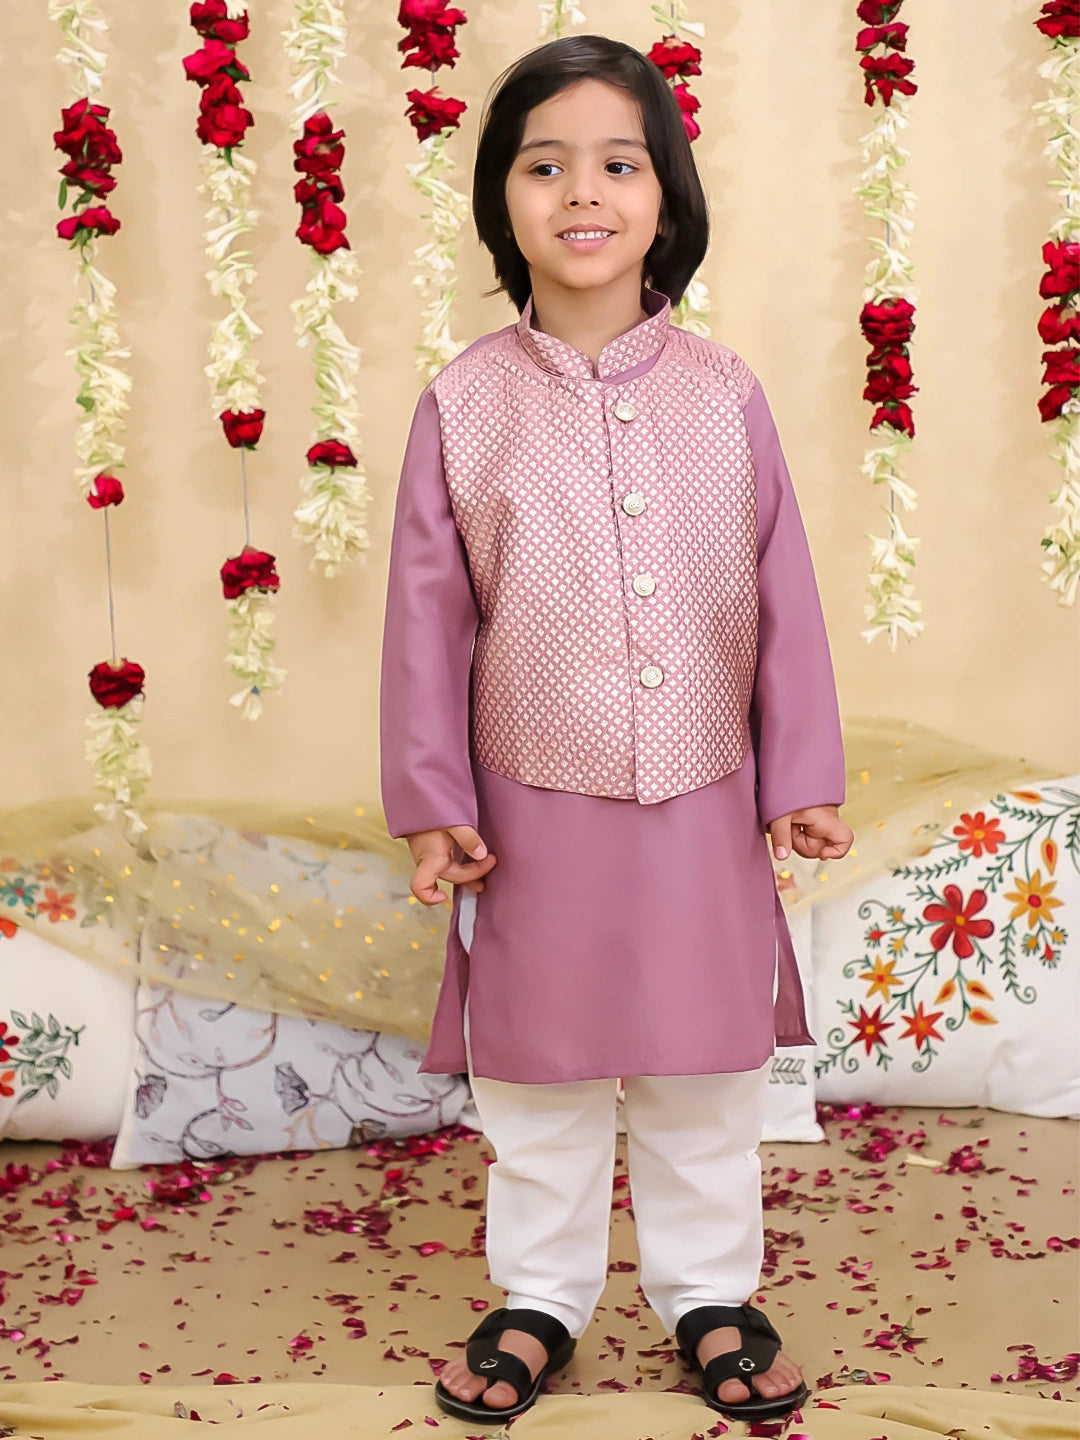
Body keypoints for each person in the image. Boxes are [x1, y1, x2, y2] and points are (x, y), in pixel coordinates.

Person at [379, 33, 854, 1425]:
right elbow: (425, 617)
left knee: (704, 1071)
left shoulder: (725, 394)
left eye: (618, 164)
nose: (582, 192)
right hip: (527, 803)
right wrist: (433, 799)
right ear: (502, 197)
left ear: (666, 197)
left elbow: (784, 591)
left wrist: (801, 775)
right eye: (545, 165)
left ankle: (710, 1293)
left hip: (707, 789)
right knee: (541, 1076)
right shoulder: (463, 403)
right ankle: (540, 1296)